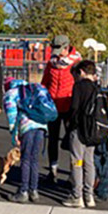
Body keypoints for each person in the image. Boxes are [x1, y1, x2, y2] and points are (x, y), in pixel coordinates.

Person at [41, 35, 82, 183]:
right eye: (55, 49)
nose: (57, 53)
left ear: (67, 47)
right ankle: (53, 170)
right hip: (53, 106)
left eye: (60, 50)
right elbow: (44, 82)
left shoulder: (76, 62)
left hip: (70, 106)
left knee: (73, 141)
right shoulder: (51, 63)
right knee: (52, 139)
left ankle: (74, 174)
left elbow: (81, 84)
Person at [3, 78, 48, 203]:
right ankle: (34, 190)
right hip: (41, 126)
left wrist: (14, 132)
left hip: (27, 127)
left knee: (25, 159)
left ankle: (23, 191)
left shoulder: (11, 93)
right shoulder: (33, 89)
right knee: (34, 159)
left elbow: (12, 114)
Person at [62, 60, 99, 208]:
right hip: (92, 130)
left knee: (77, 161)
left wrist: (69, 122)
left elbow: (75, 107)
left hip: (79, 128)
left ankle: (77, 196)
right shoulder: (97, 88)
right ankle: (89, 195)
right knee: (89, 162)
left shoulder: (79, 86)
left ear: (82, 72)